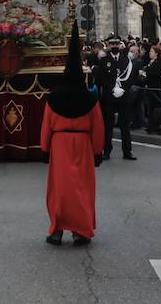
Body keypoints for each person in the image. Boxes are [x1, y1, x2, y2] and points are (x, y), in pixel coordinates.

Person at [41, 22, 105, 247]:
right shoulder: (90, 99)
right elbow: (98, 127)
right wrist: (98, 151)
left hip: (60, 144)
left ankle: (57, 230)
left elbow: (46, 125)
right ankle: (81, 231)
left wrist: (45, 147)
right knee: (82, 188)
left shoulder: (53, 99)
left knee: (59, 188)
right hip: (83, 144)